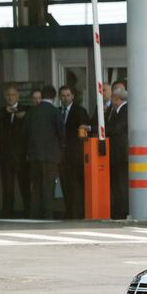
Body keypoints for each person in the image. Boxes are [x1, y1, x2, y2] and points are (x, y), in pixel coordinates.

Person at [0, 85, 29, 216]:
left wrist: (23, 116)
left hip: (22, 156)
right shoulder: (2, 111)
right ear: (5, 97)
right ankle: (7, 213)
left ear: (18, 96)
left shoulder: (25, 109)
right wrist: (6, 112)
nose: (10, 97)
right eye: (8, 95)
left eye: (13, 95)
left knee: (24, 186)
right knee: (7, 186)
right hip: (5, 156)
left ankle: (29, 212)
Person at [23, 85, 63, 220]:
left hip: (34, 155)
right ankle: (47, 215)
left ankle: (34, 215)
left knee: (36, 187)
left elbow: (25, 133)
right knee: (48, 187)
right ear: (54, 96)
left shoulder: (32, 112)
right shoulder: (55, 112)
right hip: (51, 156)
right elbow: (61, 133)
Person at [57, 84, 90, 220]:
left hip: (76, 154)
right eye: (63, 96)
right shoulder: (57, 111)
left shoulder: (79, 111)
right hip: (61, 155)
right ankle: (69, 211)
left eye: (68, 95)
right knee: (65, 184)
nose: (65, 98)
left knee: (76, 186)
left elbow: (83, 132)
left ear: (73, 96)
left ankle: (77, 212)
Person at [106, 80, 130, 219]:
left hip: (121, 154)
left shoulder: (125, 110)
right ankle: (117, 210)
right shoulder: (116, 111)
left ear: (117, 99)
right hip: (115, 154)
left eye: (113, 98)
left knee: (121, 184)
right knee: (116, 184)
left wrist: (103, 131)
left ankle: (123, 211)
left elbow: (118, 129)